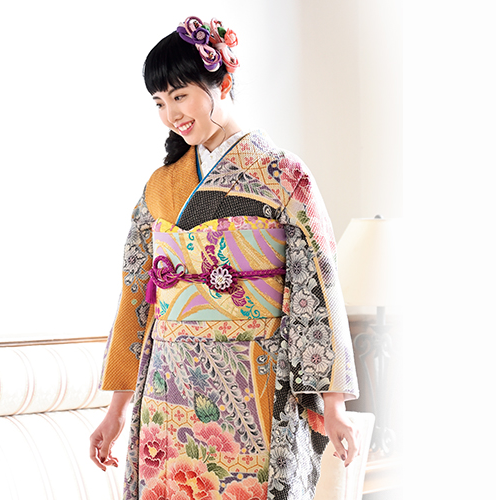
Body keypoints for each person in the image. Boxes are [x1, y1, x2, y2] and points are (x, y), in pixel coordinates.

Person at [87, 17, 361, 500]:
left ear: (223, 84)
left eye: (180, 95)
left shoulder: (283, 175)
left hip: (251, 379)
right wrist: (117, 409)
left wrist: (334, 405)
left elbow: (317, 288)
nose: (171, 114)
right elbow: (135, 296)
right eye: (159, 102)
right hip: (169, 386)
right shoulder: (160, 187)